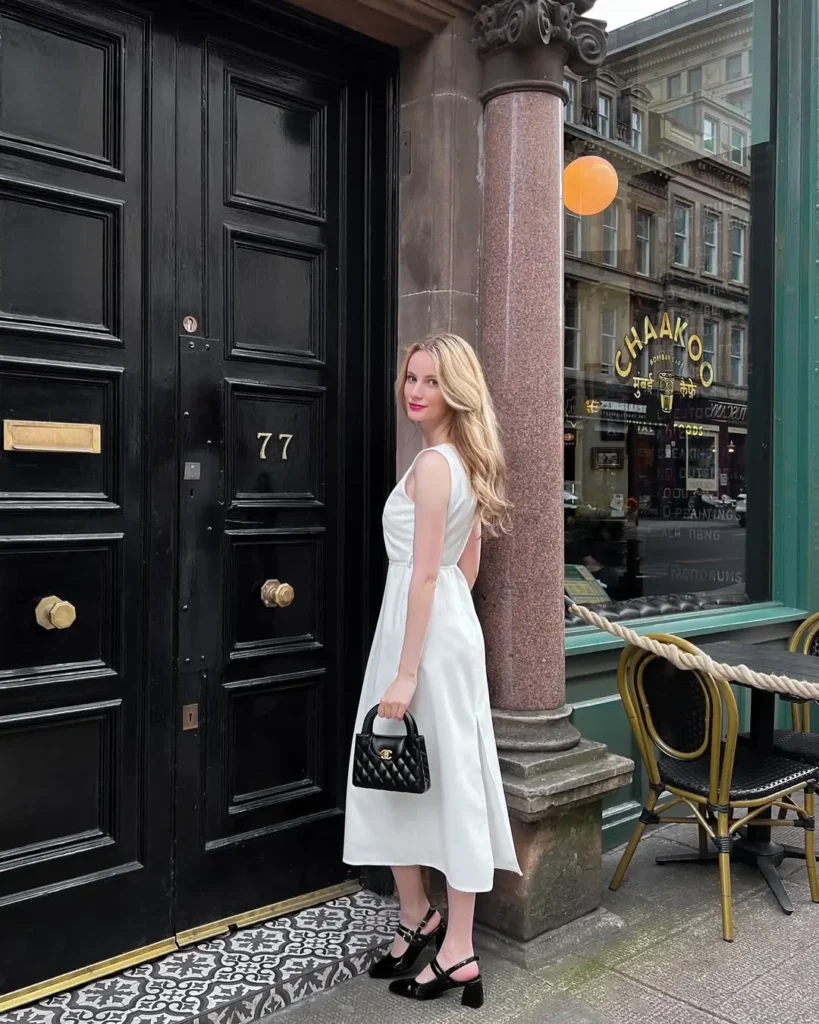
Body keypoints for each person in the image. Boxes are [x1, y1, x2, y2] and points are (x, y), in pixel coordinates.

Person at [343, 333, 521, 1008]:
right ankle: (418, 914)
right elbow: (462, 566)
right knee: (408, 776)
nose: (415, 391)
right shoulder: (454, 461)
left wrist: (408, 670)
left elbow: (424, 573)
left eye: (431, 381)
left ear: (457, 391)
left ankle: (458, 949)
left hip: (420, 635)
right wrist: (438, 628)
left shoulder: (437, 466)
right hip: (436, 626)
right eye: (411, 378)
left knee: (444, 781)